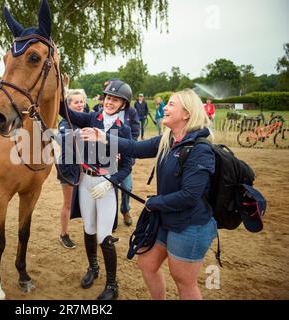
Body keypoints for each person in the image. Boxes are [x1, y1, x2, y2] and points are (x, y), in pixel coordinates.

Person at [80, 88, 217, 300]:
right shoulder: (168, 138)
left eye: (171, 104)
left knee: (183, 280)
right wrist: (104, 137)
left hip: (190, 224)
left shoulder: (200, 149)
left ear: (187, 114)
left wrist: (154, 202)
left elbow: (190, 195)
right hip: (165, 216)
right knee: (147, 263)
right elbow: (134, 148)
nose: (164, 108)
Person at [59, 79, 133, 300]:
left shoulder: (125, 130)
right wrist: (62, 91)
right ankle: (93, 267)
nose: (110, 102)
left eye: (115, 99)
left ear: (123, 104)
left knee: (104, 235)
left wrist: (111, 181)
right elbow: (67, 113)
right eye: (108, 97)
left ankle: (112, 284)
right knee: (89, 228)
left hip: (106, 186)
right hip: (86, 182)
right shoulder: (92, 118)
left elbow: (128, 165)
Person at [57, 90, 87, 249]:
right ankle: (63, 234)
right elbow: (64, 140)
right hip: (68, 166)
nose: (80, 105)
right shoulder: (64, 122)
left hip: (85, 166)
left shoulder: (87, 118)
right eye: (76, 102)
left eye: (82, 101)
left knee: (87, 201)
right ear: (68, 105)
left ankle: (91, 231)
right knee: (68, 203)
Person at [118, 98, 139, 227]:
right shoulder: (103, 110)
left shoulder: (131, 111)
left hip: (126, 156)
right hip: (109, 158)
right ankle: (110, 215)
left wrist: (129, 147)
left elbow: (135, 132)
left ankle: (125, 210)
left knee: (127, 187)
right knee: (111, 188)